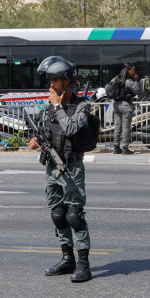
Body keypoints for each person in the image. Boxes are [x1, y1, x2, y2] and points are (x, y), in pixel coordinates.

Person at [28, 56, 94, 283]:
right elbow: (45, 131)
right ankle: (68, 259)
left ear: (67, 82)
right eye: (50, 81)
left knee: (74, 216)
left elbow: (71, 128)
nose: (51, 86)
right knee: (58, 215)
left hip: (71, 167)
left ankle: (84, 264)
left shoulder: (82, 106)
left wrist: (58, 106)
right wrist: (35, 140)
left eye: (55, 80)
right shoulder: (48, 108)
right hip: (51, 167)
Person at [112, 63, 139, 154]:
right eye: (133, 70)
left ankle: (116, 147)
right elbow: (136, 91)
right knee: (126, 127)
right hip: (126, 105)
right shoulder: (129, 81)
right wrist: (135, 81)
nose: (134, 72)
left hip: (116, 105)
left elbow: (108, 87)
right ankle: (125, 148)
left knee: (117, 126)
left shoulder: (115, 79)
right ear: (128, 70)